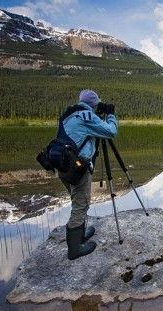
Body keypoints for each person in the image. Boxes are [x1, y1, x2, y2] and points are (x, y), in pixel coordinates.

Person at [60, 89, 117, 260]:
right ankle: (75, 250)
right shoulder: (87, 116)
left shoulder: (70, 114)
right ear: (94, 103)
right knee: (81, 204)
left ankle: (81, 235)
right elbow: (110, 131)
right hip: (77, 168)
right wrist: (111, 116)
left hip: (63, 165)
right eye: (97, 103)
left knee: (78, 200)